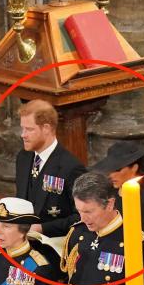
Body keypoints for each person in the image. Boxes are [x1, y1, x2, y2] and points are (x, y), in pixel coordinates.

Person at [14, 100, 87, 237]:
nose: (23, 134)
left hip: (53, 244)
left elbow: (81, 217)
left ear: (46, 128)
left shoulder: (71, 167)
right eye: (22, 128)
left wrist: (42, 228)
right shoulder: (23, 158)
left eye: (29, 129)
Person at [89, 141, 144, 227]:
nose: (111, 175)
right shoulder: (107, 194)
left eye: (117, 169)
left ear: (134, 168)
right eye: (110, 169)